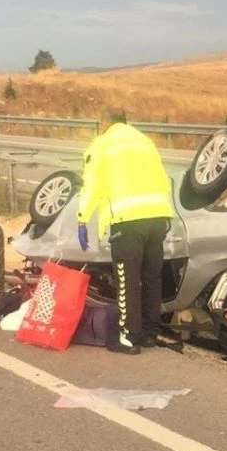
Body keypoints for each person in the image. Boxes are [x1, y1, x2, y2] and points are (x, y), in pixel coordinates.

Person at [76, 111, 173, 355]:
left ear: (105, 123)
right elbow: (163, 179)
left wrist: (83, 218)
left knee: (127, 280)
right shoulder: (145, 142)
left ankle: (129, 337)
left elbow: (93, 184)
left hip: (127, 221)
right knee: (152, 278)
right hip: (157, 217)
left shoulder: (102, 144)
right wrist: (165, 213)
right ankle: (151, 333)